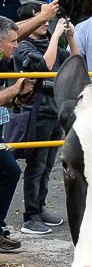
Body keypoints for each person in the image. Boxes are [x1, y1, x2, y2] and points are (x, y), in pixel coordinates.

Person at [13, 3, 80, 235]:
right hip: (36, 111)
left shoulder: (49, 42)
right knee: (36, 164)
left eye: (46, 18)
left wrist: (70, 37)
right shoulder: (22, 46)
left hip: (55, 110)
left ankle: (40, 208)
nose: (45, 23)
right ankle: (30, 216)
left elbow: (76, 60)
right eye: (39, 19)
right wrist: (56, 37)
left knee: (48, 164)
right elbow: (44, 65)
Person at [0, 17, 36, 251]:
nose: (16, 45)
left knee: (10, 171)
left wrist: (20, 94)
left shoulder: (3, 60)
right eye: (13, 41)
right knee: (10, 170)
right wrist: (16, 88)